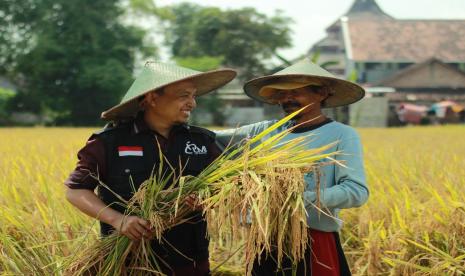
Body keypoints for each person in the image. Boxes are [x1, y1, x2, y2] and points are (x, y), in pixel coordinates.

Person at [65, 61, 236, 275]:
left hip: (190, 264)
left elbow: (227, 184)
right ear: (152, 98)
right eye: (183, 95)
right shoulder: (110, 142)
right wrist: (118, 220)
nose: (192, 103)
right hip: (129, 263)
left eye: (194, 96)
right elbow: (75, 190)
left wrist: (206, 199)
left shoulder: (202, 142)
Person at [215, 58, 369, 276]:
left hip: (313, 239)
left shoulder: (341, 134)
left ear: (322, 93)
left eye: (296, 92)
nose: (287, 98)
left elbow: (356, 192)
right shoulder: (263, 131)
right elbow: (210, 139)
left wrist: (294, 199)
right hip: (266, 240)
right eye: (282, 93)